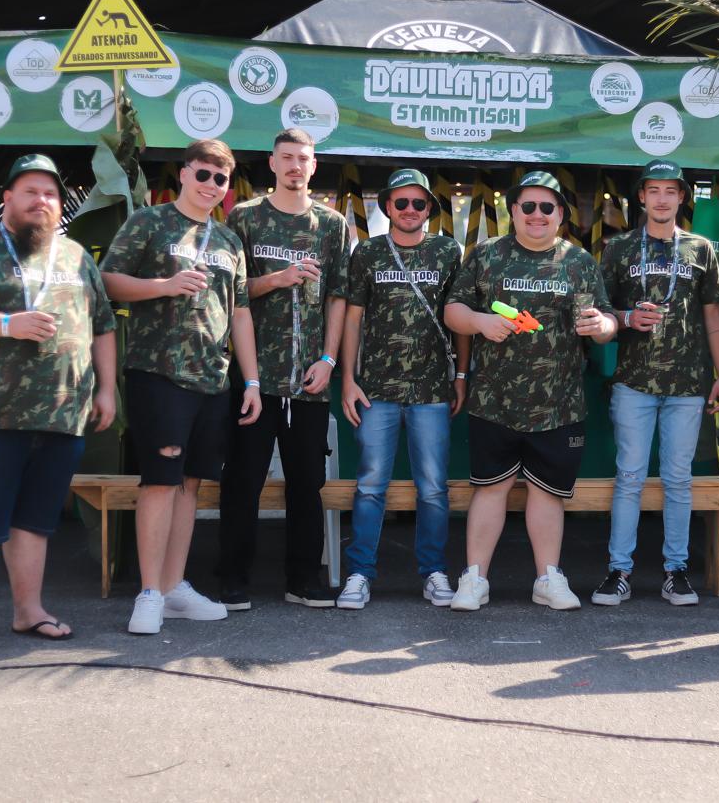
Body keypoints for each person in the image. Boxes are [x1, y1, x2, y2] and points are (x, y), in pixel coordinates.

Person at [0, 154, 116, 654]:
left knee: (34, 521)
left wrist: (106, 389)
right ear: (8, 198)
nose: (41, 201)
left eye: (50, 194)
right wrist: (8, 324)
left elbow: (102, 325)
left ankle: (28, 612)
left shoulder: (76, 256)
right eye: (30, 191)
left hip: (61, 415)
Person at [100, 138, 263, 635]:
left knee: (191, 484)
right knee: (160, 481)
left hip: (213, 378)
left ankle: (173, 587)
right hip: (157, 374)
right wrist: (163, 286)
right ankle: (149, 592)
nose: (211, 185)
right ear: (185, 174)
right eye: (203, 174)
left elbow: (240, 312)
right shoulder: (149, 222)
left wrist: (251, 380)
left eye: (221, 178)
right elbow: (108, 281)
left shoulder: (229, 240)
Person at [444, 171, 616, 611]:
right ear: (514, 211)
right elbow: (453, 310)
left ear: (560, 214)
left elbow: (607, 322)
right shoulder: (487, 255)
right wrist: (479, 321)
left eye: (547, 207)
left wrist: (602, 326)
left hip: (558, 404)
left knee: (548, 493)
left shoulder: (579, 262)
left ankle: (548, 578)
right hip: (494, 401)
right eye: (528, 206)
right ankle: (474, 579)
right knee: (490, 488)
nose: (537, 215)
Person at [218, 128, 351, 609]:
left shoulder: (332, 224)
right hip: (254, 378)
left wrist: (329, 360)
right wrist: (278, 278)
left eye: (304, 158)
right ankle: (233, 579)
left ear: (314, 166)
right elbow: (231, 291)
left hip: (309, 381)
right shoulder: (246, 216)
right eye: (287, 157)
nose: (296, 166)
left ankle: (303, 579)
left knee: (306, 484)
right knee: (243, 481)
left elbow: (338, 297)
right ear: (272, 163)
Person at [593, 159, 719, 607]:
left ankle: (676, 571)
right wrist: (627, 317)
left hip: (687, 385)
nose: (662, 198)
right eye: (654, 190)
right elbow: (600, 312)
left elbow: (714, 314)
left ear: (682, 197)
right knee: (629, 477)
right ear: (641, 197)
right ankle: (619, 571)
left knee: (678, 479)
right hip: (633, 382)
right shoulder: (619, 248)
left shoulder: (700, 249)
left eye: (671, 191)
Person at [336, 169, 471, 610]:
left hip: (432, 390)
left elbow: (459, 317)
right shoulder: (368, 252)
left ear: (429, 208)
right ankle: (359, 574)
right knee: (370, 485)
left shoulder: (448, 251)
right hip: (376, 390)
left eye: (418, 203)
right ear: (387, 207)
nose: (410, 210)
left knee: (432, 488)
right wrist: (348, 379)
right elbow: (352, 318)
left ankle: (433, 571)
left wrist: (461, 375)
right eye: (401, 202)